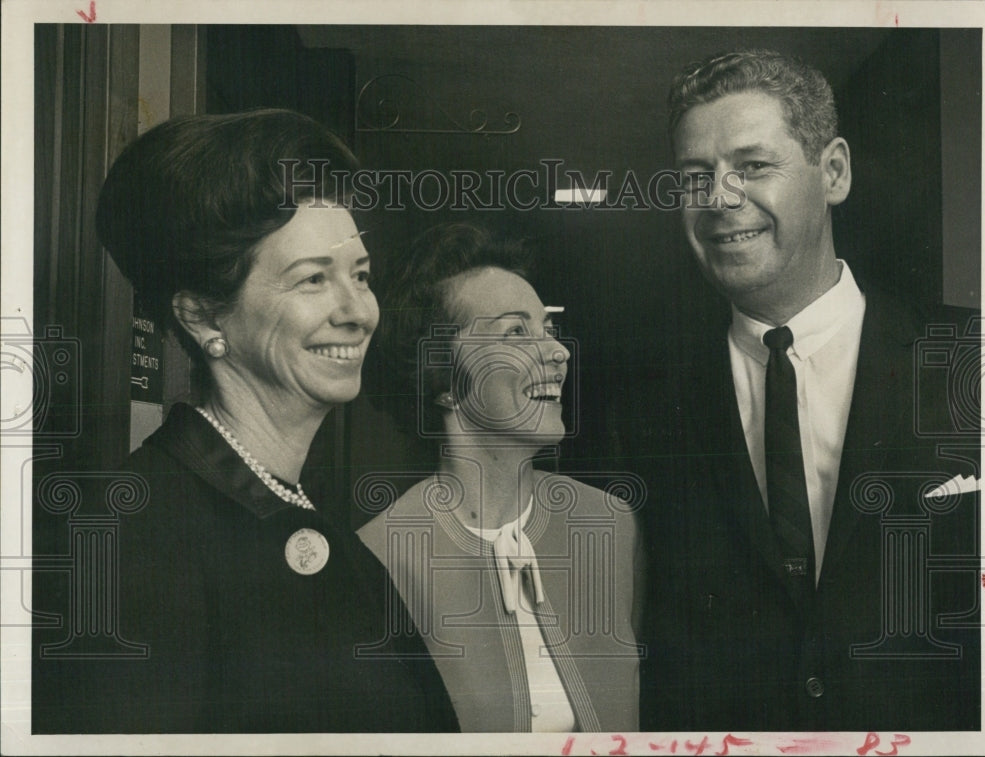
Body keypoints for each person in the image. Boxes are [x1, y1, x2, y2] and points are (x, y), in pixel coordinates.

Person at [31, 109, 458, 733]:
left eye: (360, 275)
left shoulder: (328, 530)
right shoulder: (125, 537)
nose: (358, 311)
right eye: (313, 279)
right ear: (203, 317)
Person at [639, 50, 980, 731]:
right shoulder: (641, 411)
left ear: (834, 172)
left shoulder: (974, 362)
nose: (719, 198)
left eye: (752, 165)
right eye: (695, 176)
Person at [357, 223, 642, 732]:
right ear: (443, 377)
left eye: (547, 329)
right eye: (516, 332)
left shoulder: (611, 524)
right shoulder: (380, 557)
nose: (558, 352)